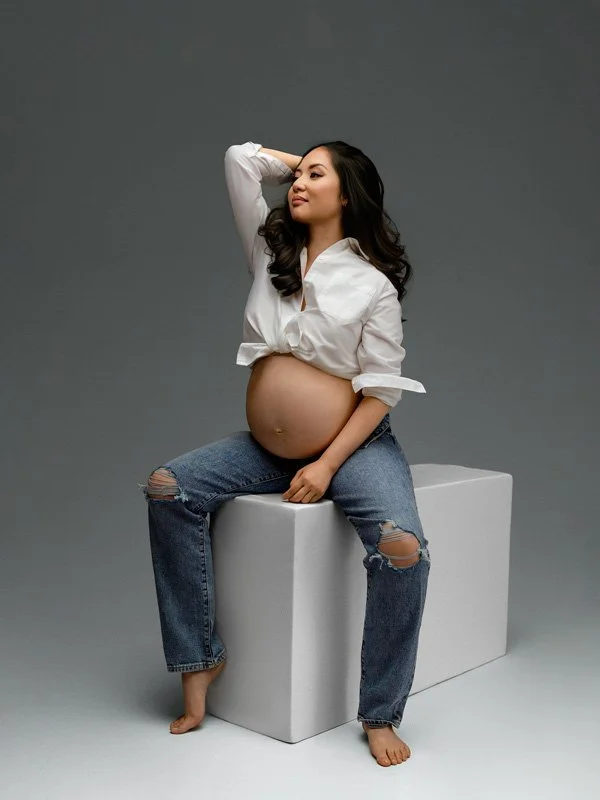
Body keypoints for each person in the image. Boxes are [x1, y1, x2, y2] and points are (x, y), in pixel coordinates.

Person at [138, 139, 431, 768]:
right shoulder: (270, 252)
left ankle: (380, 711)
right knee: (169, 487)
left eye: (314, 175)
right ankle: (199, 656)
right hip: (265, 452)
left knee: (403, 549)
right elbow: (239, 162)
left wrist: (325, 465)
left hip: (351, 447)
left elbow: (380, 393)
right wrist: (294, 159)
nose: (297, 182)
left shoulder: (372, 285)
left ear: (347, 194)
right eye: (296, 174)